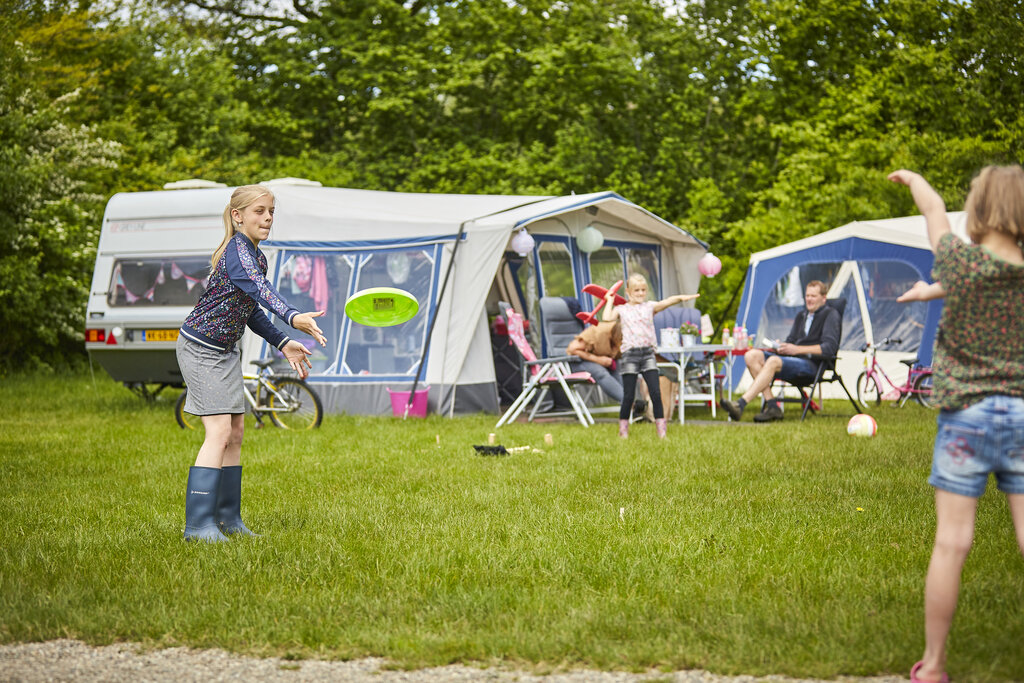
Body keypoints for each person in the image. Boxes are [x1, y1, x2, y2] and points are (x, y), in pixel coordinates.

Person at [888, 166, 1024, 683]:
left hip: (965, 415)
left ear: (981, 211)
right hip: (1023, 410)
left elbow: (933, 211)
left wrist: (917, 179)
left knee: (951, 544)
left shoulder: (960, 262)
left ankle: (935, 665)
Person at [175, 185, 328, 543]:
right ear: (237, 215)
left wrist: (283, 340)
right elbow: (260, 290)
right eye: (259, 211)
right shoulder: (237, 252)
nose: (268, 218)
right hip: (200, 349)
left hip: (226, 352)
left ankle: (229, 520)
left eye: (271, 211)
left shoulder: (255, 256)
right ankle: (198, 527)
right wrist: (292, 316)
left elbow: (251, 309)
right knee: (219, 432)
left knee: (237, 432)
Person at [720, 280, 840, 422]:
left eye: (813, 296)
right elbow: (792, 340)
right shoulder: (802, 316)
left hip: (812, 365)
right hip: (792, 360)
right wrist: (782, 346)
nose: (809, 299)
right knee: (751, 355)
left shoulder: (831, 315)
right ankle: (772, 406)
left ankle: (741, 404)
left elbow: (829, 348)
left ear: (823, 298)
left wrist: (796, 349)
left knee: (773, 361)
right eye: (807, 295)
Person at [602, 273, 698, 438]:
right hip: (630, 356)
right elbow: (606, 318)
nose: (640, 293)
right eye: (636, 290)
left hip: (647, 355)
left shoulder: (650, 307)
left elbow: (666, 302)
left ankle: (662, 433)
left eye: (643, 290)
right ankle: (623, 432)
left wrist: (682, 297)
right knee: (629, 395)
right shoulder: (622, 310)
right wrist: (609, 300)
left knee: (655, 392)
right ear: (628, 292)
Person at [565, 319, 625, 404]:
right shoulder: (598, 332)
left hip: (604, 362)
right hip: (577, 362)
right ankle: (629, 403)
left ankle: (629, 405)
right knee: (600, 372)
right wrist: (598, 360)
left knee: (621, 371)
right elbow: (572, 349)